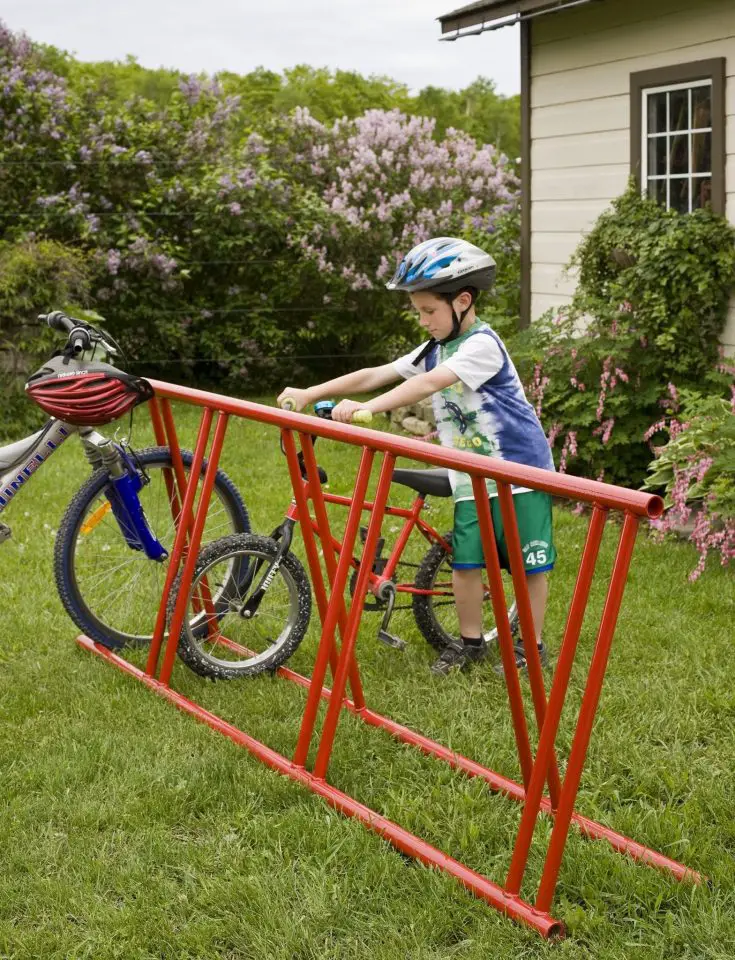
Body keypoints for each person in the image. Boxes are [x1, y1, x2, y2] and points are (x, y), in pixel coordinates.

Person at [277, 237, 556, 676]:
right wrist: (312, 392)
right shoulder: (434, 349)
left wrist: (373, 408)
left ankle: (530, 646)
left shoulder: (481, 346)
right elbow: (377, 372)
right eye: (418, 312)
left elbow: (428, 385)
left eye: (429, 311)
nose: (424, 320)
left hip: (518, 472)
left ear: (462, 301)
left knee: (525, 567)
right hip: (472, 474)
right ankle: (469, 645)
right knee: (466, 564)